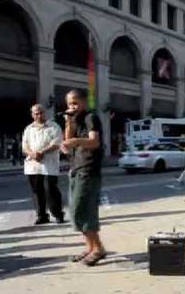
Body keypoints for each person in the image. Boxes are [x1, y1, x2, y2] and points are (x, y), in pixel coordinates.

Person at [60, 89, 107, 266]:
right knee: (79, 211)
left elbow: (95, 142)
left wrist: (77, 141)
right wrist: (69, 122)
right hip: (76, 169)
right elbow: (68, 139)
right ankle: (90, 247)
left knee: (80, 210)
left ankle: (98, 248)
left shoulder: (90, 117)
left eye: (74, 103)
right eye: (68, 104)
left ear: (84, 102)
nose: (71, 107)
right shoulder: (75, 119)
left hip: (88, 170)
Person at [22, 104, 65, 225]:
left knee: (51, 189)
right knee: (37, 191)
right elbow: (24, 146)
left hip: (49, 165)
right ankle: (41, 216)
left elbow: (57, 143)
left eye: (41, 112)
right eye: (36, 113)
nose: (39, 115)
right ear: (32, 115)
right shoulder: (28, 129)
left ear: (44, 113)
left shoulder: (53, 126)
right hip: (33, 164)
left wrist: (42, 152)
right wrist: (33, 153)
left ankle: (58, 214)